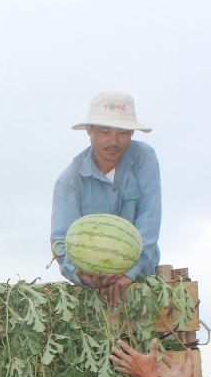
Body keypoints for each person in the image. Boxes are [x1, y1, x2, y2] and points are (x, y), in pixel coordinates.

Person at [50, 91, 161, 307]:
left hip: (144, 281)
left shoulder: (143, 159)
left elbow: (150, 217)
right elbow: (61, 242)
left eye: (123, 132)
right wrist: (82, 276)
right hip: (94, 296)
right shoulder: (70, 181)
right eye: (104, 131)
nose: (114, 141)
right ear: (89, 131)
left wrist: (130, 273)